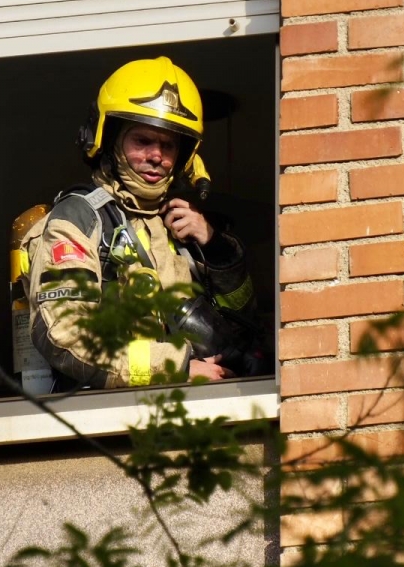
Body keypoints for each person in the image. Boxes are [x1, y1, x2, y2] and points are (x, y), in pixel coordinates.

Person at [26, 56, 254, 389]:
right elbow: (63, 336)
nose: (156, 156)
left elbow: (248, 331)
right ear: (110, 139)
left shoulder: (181, 227)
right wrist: (173, 368)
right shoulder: (79, 218)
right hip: (112, 420)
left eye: (168, 145)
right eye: (142, 141)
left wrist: (215, 247)